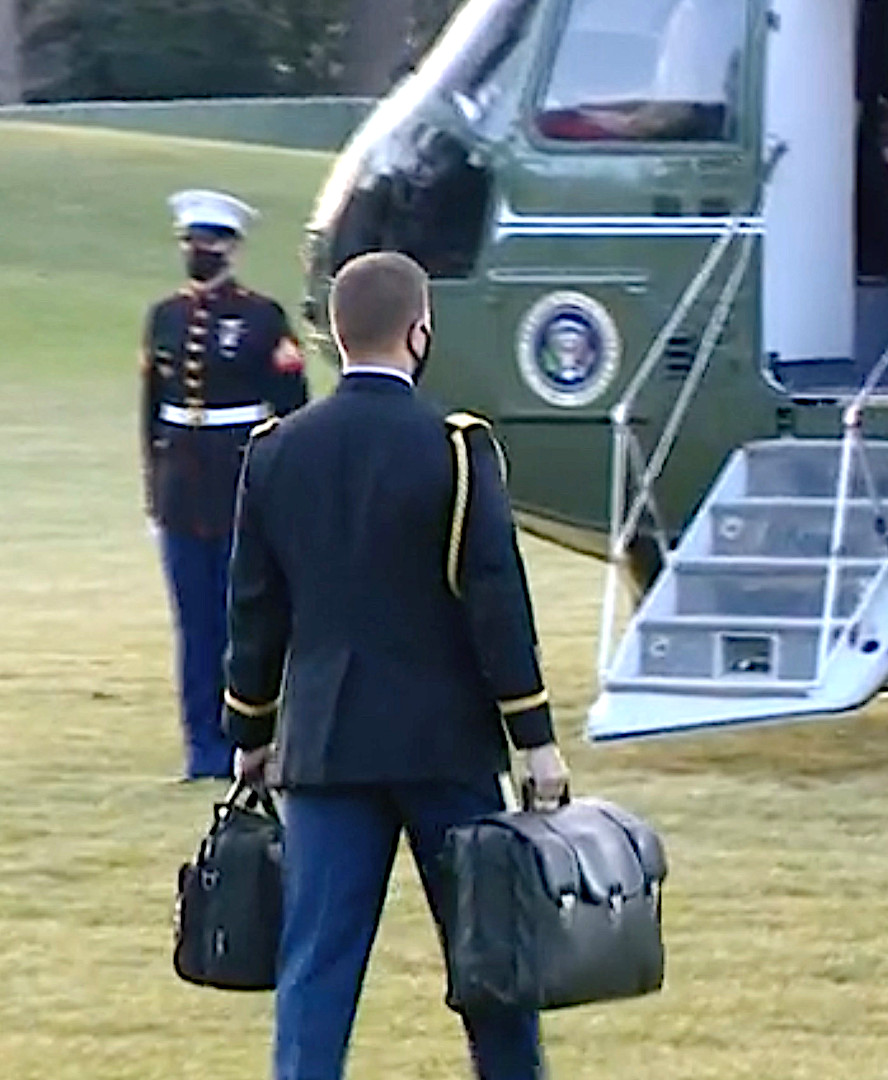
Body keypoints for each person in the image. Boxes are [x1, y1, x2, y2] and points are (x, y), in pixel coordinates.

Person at [221, 250, 571, 1080]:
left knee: (316, 966)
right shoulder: (455, 450)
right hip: (441, 745)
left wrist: (250, 730)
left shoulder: (277, 450)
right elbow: (496, 605)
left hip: (325, 744)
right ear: (419, 332)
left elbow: (255, 610)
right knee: (490, 952)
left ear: (339, 335)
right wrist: (535, 739)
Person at [142, 188, 309, 781]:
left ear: (231, 249)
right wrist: (153, 494)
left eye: (209, 242)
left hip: (242, 481)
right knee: (195, 624)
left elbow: (291, 408)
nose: (199, 251)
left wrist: (287, 490)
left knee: (249, 617)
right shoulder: (164, 317)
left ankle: (258, 738)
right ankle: (203, 748)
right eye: (191, 241)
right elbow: (151, 411)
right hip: (182, 491)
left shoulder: (263, 318)